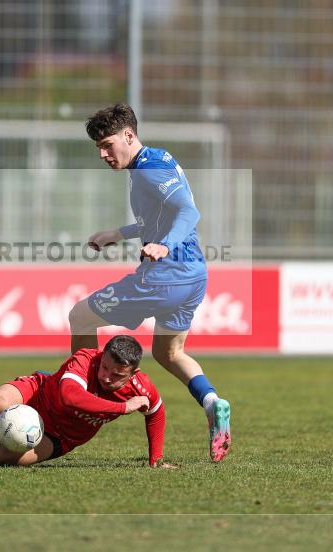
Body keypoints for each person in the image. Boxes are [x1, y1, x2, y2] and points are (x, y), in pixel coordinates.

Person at [68, 103, 231, 462]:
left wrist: (163, 245)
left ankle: (84, 397)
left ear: (129, 135)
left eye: (108, 144)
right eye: (98, 147)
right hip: (193, 276)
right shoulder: (155, 161)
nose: (103, 153)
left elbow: (190, 211)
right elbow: (160, 217)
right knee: (169, 353)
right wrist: (119, 233)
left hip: (163, 276)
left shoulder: (149, 171)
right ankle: (213, 402)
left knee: (80, 316)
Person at [0, 335, 174, 468]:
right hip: (37, 394)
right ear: (102, 356)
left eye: (117, 375)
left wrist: (156, 460)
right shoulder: (86, 359)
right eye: (105, 368)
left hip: (61, 436)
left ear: (133, 373)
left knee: (12, 459)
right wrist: (123, 407)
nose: (107, 377)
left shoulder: (142, 387)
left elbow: (157, 413)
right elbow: (69, 396)